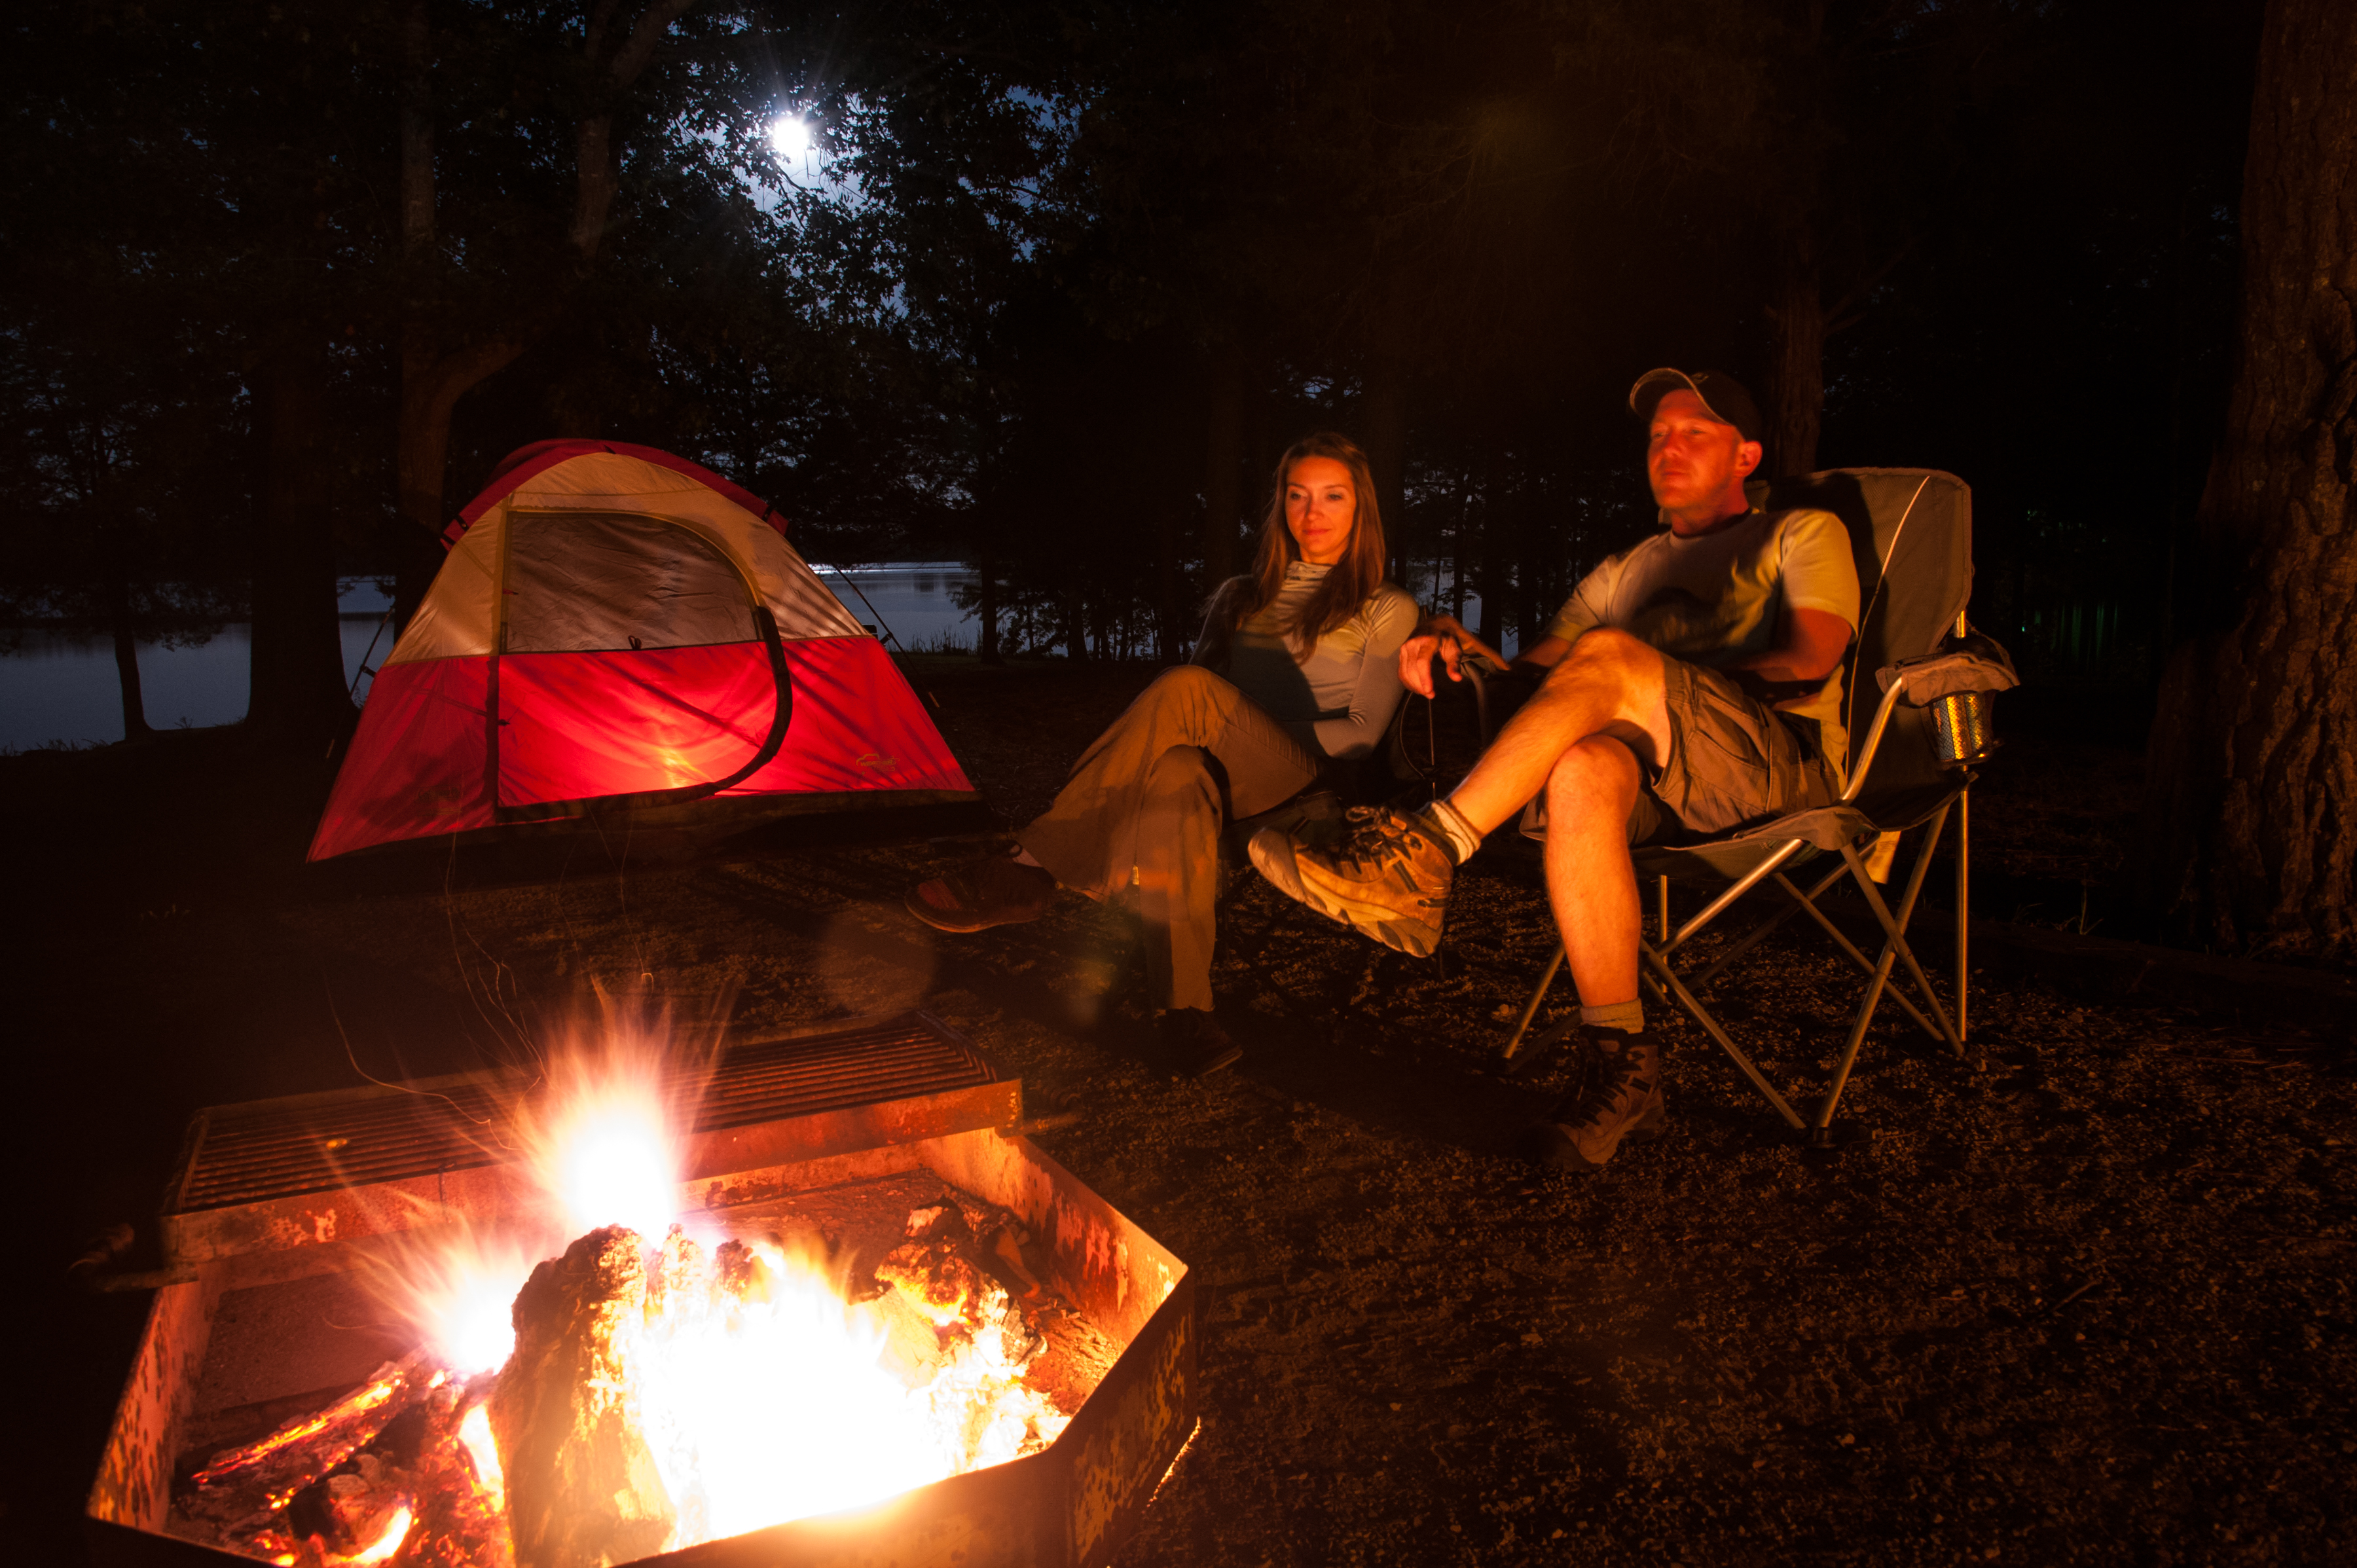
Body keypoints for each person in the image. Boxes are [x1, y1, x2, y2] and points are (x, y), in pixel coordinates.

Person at [1249, 370, 1859, 1169]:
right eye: (1657, 437)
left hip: (1776, 765)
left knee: (1607, 656)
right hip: (1659, 780)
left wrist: (1650, 680)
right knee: (1580, 767)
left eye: (1694, 434)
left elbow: (1813, 660)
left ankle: (1425, 855)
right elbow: (1530, 678)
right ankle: (1623, 1063)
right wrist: (1444, 638)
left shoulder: (1799, 534)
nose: (1668, 448)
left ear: (1746, 455)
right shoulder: (1623, 569)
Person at [905, 432, 1419, 1076]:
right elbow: (1183, 713)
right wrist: (1214, 722)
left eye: (1333, 496)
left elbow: (1365, 731)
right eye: (1298, 496)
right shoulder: (1243, 594)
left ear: (1360, 508)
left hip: (1307, 787)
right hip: (1216, 775)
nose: (1313, 512)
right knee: (1176, 774)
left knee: (1187, 688)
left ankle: (1035, 863)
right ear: (1281, 507)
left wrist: (1243, 722)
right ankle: (1185, 1016)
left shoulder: (1387, 606)